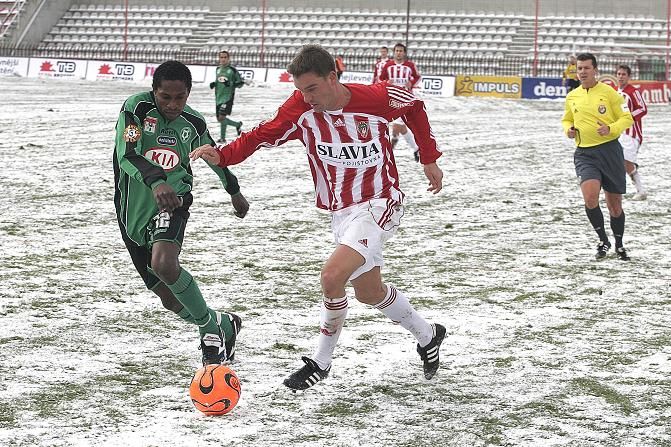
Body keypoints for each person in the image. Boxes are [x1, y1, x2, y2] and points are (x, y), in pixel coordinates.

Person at [191, 45, 446, 390]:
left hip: (379, 202)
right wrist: (223, 156)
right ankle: (428, 335)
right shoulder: (299, 109)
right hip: (340, 211)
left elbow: (414, 106)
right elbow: (263, 134)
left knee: (331, 276)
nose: (306, 97)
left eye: (312, 88)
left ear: (332, 77)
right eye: (300, 90)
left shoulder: (376, 97)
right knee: (369, 292)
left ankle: (321, 362)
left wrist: (428, 157)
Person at [113, 60, 249, 365]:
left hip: (174, 201)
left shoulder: (194, 123)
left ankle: (210, 333)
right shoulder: (135, 111)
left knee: (164, 263)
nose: (173, 104)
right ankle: (222, 322)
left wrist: (234, 191)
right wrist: (155, 181)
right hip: (132, 210)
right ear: (154, 91)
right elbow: (128, 154)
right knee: (169, 299)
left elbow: (215, 157)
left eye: (180, 97)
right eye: (165, 97)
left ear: (188, 94)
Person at [561, 53, 634, 261]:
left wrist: (610, 128)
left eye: (586, 68)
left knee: (615, 206)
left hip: (610, 151)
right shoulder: (572, 96)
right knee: (590, 198)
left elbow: (626, 118)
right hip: (585, 153)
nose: (582, 72)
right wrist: (569, 129)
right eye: (579, 68)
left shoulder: (609, 93)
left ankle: (619, 244)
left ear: (595, 70)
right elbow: (566, 119)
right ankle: (603, 240)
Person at [379, 42, 421, 162]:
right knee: (401, 127)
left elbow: (417, 76)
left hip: (405, 99)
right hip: (392, 98)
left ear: (404, 53)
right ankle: (416, 148)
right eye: (397, 51)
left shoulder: (410, 65)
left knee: (396, 127)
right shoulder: (388, 65)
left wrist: (411, 83)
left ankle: (388, 155)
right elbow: (381, 78)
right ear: (394, 52)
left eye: (401, 51)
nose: (398, 53)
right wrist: (387, 82)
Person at [615, 64, 648, 200]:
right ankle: (618, 192)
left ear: (629, 77)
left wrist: (628, 118)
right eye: (619, 74)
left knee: (626, 162)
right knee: (617, 162)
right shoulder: (615, 92)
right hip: (618, 133)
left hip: (632, 133)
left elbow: (643, 108)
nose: (621, 76)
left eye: (624, 74)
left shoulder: (633, 91)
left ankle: (640, 191)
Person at [210, 50, 244, 143]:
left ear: (228, 58)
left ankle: (222, 138)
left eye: (225, 57)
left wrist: (231, 83)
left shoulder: (232, 70)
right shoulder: (218, 69)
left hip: (228, 97)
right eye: (221, 57)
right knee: (220, 119)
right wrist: (214, 84)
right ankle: (237, 125)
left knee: (221, 117)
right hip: (218, 97)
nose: (223, 59)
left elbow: (240, 83)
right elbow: (219, 81)